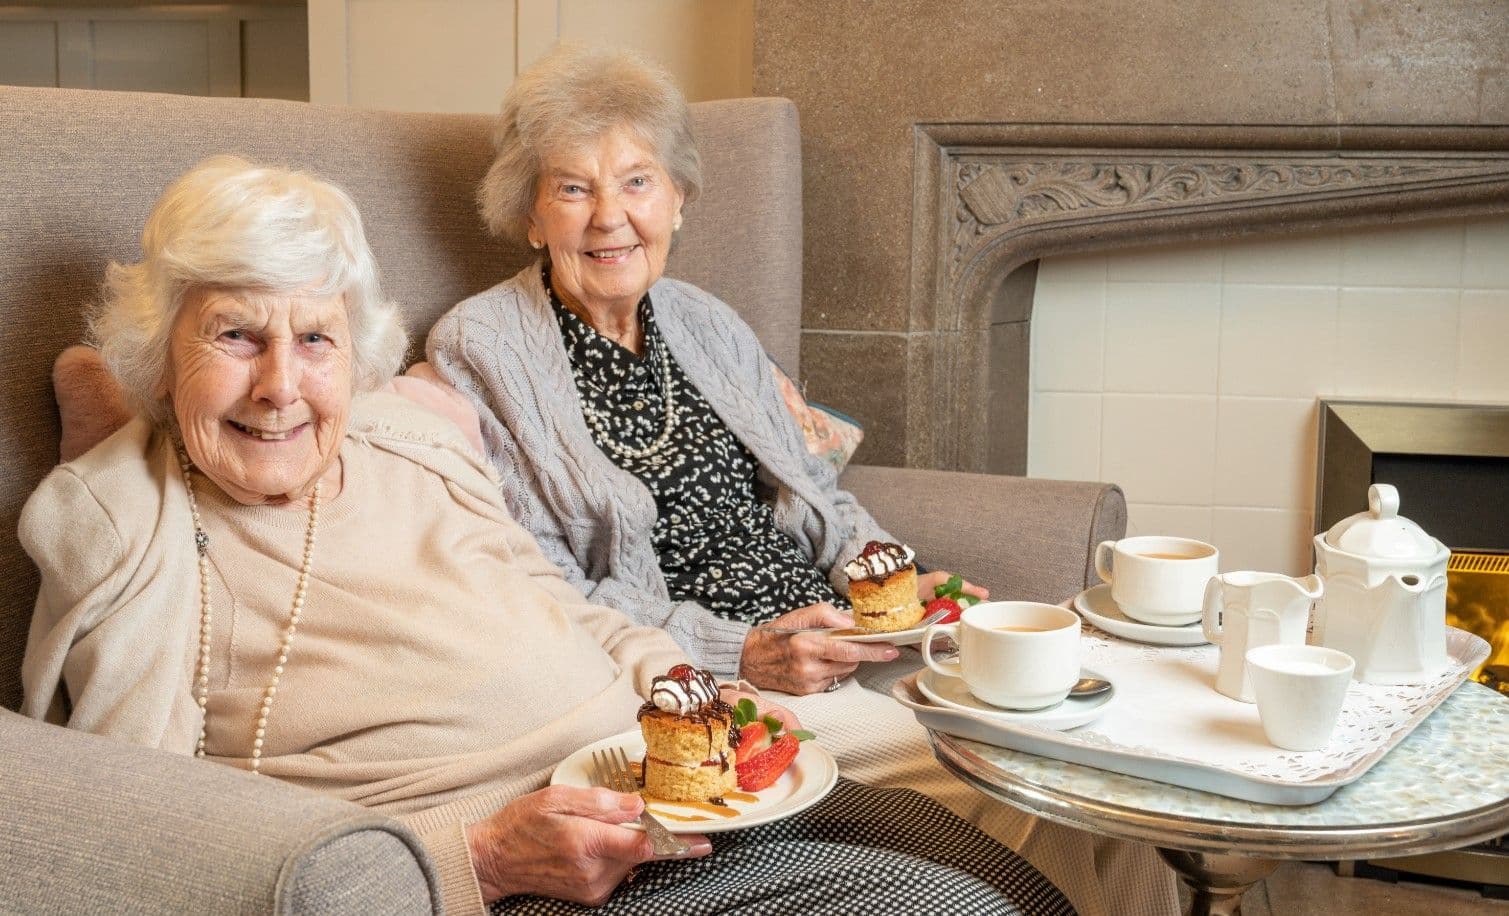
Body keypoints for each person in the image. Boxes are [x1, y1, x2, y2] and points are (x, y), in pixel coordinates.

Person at [20, 156, 1074, 916]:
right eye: (235, 336)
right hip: (536, 868)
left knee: (1015, 867)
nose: (281, 386)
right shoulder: (137, 525)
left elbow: (560, 598)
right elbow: (141, 833)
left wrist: (678, 679)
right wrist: (470, 856)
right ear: (162, 356)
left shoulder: (407, 445)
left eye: (315, 338)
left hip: (668, 781)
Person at [424, 46, 1178, 916]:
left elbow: (820, 501)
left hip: (843, 640)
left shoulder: (704, 320)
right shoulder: (482, 347)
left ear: (678, 199)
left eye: (636, 182)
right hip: (711, 688)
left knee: (1104, 762)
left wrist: (896, 585)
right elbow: (548, 594)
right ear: (528, 214)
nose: (609, 218)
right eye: (571, 188)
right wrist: (740, 651)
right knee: (1010, 776)